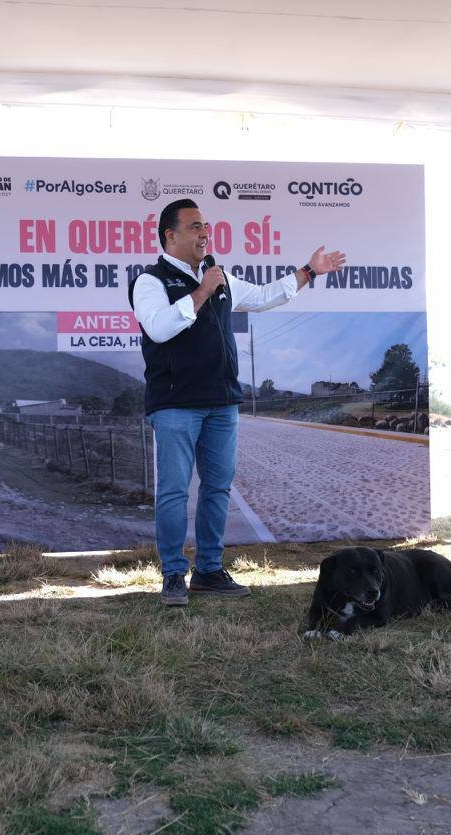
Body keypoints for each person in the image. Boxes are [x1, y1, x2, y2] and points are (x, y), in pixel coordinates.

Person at [128, 198, 346, 606]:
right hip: (175, 404)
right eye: (195, 226)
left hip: (221, 402)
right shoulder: (150, 281)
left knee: (217, 488)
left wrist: (309, 271)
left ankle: (209, 570)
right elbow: (158, 329)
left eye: (205, 226)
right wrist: (202, 291)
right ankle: (173, 574)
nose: (204, 233)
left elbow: (263, 296)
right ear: (170, 236)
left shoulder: (219, 275)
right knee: (174, 492)